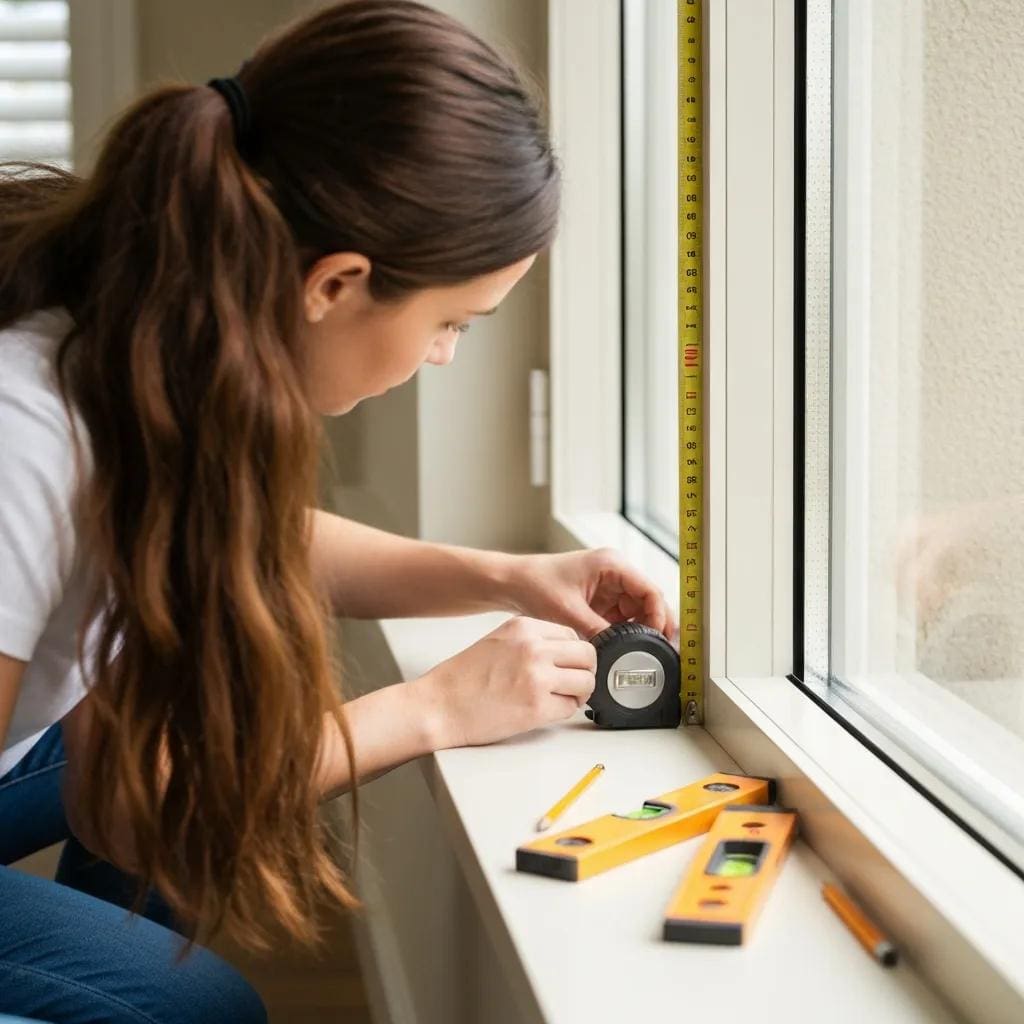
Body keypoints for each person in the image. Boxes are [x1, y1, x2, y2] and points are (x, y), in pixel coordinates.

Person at [0, 1, 676, 1021]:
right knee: (205, 1009)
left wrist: (508, 575)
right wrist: (433, 708)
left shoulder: (152, 330)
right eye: (451, 322)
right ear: (336, 284)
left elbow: (253, 539)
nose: (442, 357)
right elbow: (137, 808)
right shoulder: (32, 434)